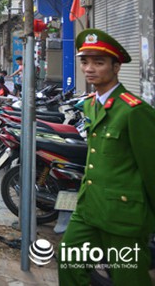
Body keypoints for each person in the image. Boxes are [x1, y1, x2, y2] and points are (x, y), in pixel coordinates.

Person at [59, 29, 155, 285]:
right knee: (68, 261)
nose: (89, 68)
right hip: (89, 208)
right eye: (85, 61)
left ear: (116, 67)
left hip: (123, 215)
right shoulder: (91, 104)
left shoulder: (134, 111)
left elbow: (151, 169)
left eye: (99, 62)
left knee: (129, 279)